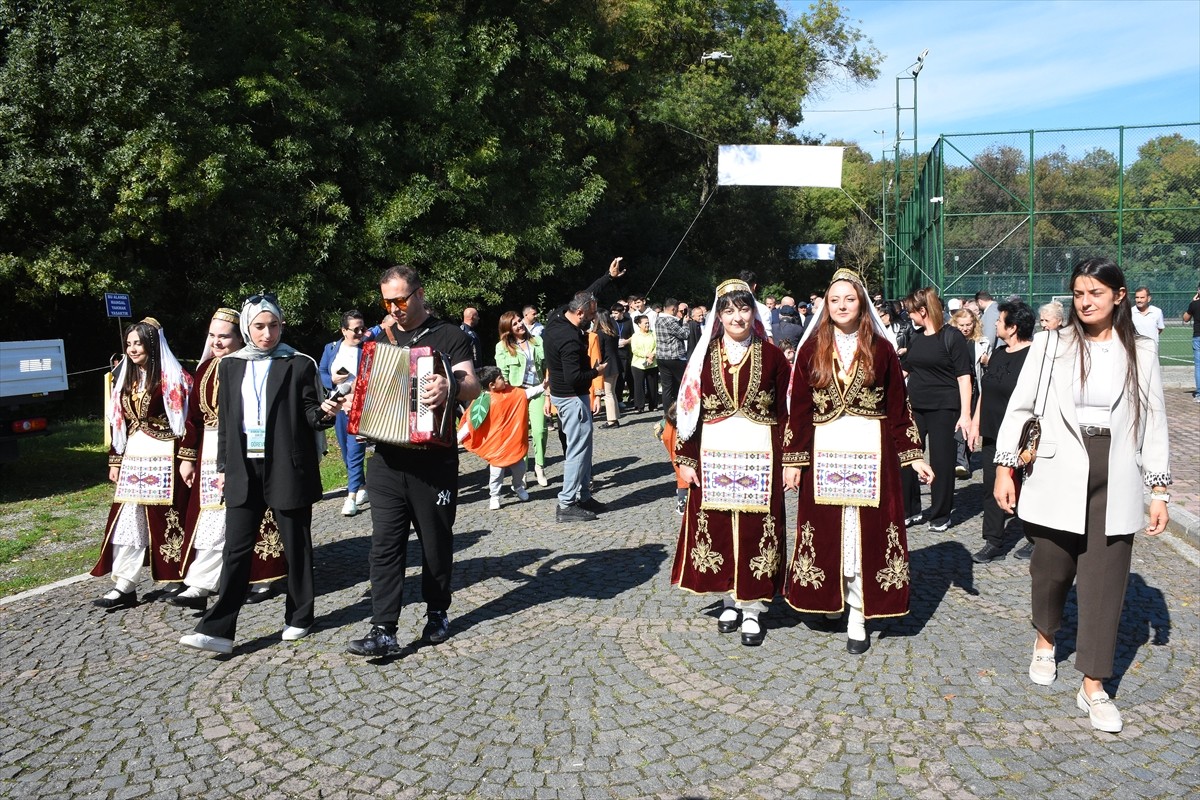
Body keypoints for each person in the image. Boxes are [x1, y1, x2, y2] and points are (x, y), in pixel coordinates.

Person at [994, 258, 1171, 733]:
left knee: (1106, 581)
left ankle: (1094, 685)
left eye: (1096, 292)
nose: (1087, 301)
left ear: (1118, 295)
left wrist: (1159, 489)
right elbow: (1022, 406)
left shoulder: (1143, 351)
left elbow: (1154, 420)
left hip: (1117, 471)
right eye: (1078, 293)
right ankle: (1046, 638)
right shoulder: (1053, 344)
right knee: (1050, 568)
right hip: (1056, 466)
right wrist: (1005, 467)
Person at [180, 294, 343, 654]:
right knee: (236, 550)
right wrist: (223, 466)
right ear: (246, 329)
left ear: (282, 326)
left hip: (287, 464)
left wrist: (327, 411)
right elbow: (226, 422)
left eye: (273, 326)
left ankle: (300, 615)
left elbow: (310, 415)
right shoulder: (230, 365)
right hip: (243, 467)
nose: (267, 333)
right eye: (259, 326)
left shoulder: (299, 363)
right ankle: (219, 629)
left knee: (296, 546)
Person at [782, 269, 932, 654]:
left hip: (872, 455)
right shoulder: (811, 346)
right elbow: (799, 409)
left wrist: (913, 457)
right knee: (830, 529)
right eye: (835, 300)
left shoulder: (880, 350)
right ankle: (831, 598)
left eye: (849, 299)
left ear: (861, 302)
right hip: (823, 454)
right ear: (826, 306)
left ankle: (859, 611)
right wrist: (793, 461)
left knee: (865, 530)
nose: (842, 306)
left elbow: (899, 406)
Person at [347, 265, 480, 656]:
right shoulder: (379, 339)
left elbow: (471, 383)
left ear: (420, 294)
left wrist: (450, 384)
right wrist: (350, 404)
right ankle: (383, 629)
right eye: (387, 301)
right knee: (384, 545)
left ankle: (437, 610)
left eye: (401, 300)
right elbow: (362, 385)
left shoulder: (449, 335)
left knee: (435, 542)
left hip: (432, 459)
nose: (394, 308)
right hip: (386, 456)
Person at [670, 278, 791, 647]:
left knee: (756, 529)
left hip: (762, 458)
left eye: (743, 308)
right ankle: (727, 599)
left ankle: (752, 607)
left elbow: (786, 411)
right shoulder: (703, 358)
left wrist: (791, 460)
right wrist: (686, 459)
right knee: (720, 527)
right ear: (718, 315)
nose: (737, 316)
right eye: (729, 309)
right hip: (714, 456)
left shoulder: (772, 357)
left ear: (754, 312)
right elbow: (691, 412)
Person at [173, 308, 287, 610]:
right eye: (212, 336)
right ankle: (202, 581)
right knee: (210, 514)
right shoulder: (205, 369)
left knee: (257, 512)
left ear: (241, 337)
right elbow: (193, 417)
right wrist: (188, 457)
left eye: (224, 336)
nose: (216, 342)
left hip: (248, 445)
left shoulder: (252, 366)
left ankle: (265, 576)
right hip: (212, 448)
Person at [92, 318, 196, 609]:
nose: (133, 348)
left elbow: (188, 421)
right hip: (134, 457)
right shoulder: (124, 376)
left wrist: (187, 457)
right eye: (129, 343)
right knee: (128, 520)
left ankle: (179, 578)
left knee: (168, 519)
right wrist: (115, 459)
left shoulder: (173, 378)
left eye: (138, 342)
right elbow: (118, 421)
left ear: (151, 344)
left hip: (166, 455)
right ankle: (124, 584)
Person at [900, 287, 973, 531]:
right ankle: (909, 510)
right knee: (907, 457)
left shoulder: (952, 336)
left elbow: (964, 377)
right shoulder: (916, 336)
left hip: (945, 408)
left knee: (942, 462)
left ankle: (941, 514)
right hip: (915, 407)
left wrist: (966, 415)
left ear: (923, 310)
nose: (909, 315)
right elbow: (906, 367)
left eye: (911, 311)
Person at [967, 300, 1035, 563]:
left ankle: (1034, 538)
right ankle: (992, 541)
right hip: (994, 433)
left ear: (1013, 327)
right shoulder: (998, 353)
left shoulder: (1034, 356)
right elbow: (986, 390)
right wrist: (975, 423)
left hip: (1024, 437)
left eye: (1000, 320)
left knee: (1027, 487)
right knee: (990, 486)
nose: (995, 323)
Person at [545, 288, 609, 522]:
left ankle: (583, 495)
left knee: (584, 448)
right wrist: (596, 371)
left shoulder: (557, 316)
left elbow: (585, 292)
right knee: (577, 452)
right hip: (572, 398)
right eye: (591, 317)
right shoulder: (570, 339)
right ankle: (566, 503)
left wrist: (608, 277)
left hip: (568, 396)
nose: (592, 322)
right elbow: (575, 378)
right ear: (580, 312)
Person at [458, 366, 543, 509]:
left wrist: (542, 386)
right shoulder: (483, 401)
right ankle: (494, 496)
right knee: (496, 474)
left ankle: (518, 487)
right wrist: (457, 438)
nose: (504, 379)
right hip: (495, 447)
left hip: (513, 445)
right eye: (501, 378)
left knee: (520, 469)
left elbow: (526, 394)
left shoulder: (512, 393)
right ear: (491, 385)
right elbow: (472, 422)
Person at [319, 310, 369, 516]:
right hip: (338, 406)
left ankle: (351, 497)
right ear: (343, 331)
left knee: (355, 449)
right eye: (355, 329)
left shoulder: (367, 349)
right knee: (345, 450)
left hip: (360, 407)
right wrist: (332, 381)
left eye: (362, 328)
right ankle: (361, 486)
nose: (360, 333)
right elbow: (321, 371)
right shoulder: (331, 349)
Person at [494, 310, 549, 486]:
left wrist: (548, 391)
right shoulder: (502, 347)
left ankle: (539, 466)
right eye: (515, 323)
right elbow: (503, 375)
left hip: (539, 390)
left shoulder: (537, 341)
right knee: (521, 433)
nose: (520, 325)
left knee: (540, 430)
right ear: (508, 329)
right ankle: (522, 470)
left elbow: (548, 366)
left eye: (520, 321)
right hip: (517, 394)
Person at [950, 308, 989, 479]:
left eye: (968, 324)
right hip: (953, 388)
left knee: (969, 423)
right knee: (956, 424)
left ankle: (963, 460)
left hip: (973, 389)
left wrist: (987, 361)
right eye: (961, 325)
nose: (965, 328)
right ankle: (960, 461)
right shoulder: (949, 339)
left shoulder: (982, 342)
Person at [654, 298, 689, 413]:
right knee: (682, 383)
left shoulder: (658, 319)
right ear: (674, 309)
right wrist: (685, 323)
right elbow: (685, 335)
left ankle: (668, 413)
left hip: (661, 357)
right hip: (674, 357)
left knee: (666, 387)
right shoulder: (670, 321)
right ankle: (684, 409)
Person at [655, 402, 689, 515]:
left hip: (683, 414)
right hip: (682, 415)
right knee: (681, 460)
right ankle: (683, 499)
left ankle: (683, 498)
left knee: (681, 461)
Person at [594, 311, 622, 428]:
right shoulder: (613, 332)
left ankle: (611, 420)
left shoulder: (600, 333)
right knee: (612, 392)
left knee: (608, 394)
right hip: (615, 363)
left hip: (607, 366)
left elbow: (598, 351)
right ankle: (615, 417)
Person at [630, 314, 659, 414]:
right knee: (639, 385)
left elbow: (657, 345)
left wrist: (652, 355)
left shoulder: (653, 334)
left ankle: (653, 404)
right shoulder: (635, 336)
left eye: (648, 322)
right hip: (638, 364)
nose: (647, 324)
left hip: (652, 362)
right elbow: (634, 350)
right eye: (645, 323)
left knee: (653, 385)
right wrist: (646, 355)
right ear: (639, 324)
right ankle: (639, 406)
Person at [1185, 283, 1200, 402]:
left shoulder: (1194, 304)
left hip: (1197, 337)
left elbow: (1185, 318)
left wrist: (1192, 301)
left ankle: (1199, 394)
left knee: (1199, 367)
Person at [461, 306, 483, 371]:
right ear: (471, 317)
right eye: (477, 316)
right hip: (470, 369)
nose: (478, 318)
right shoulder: (463, 333)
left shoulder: (472, 332)